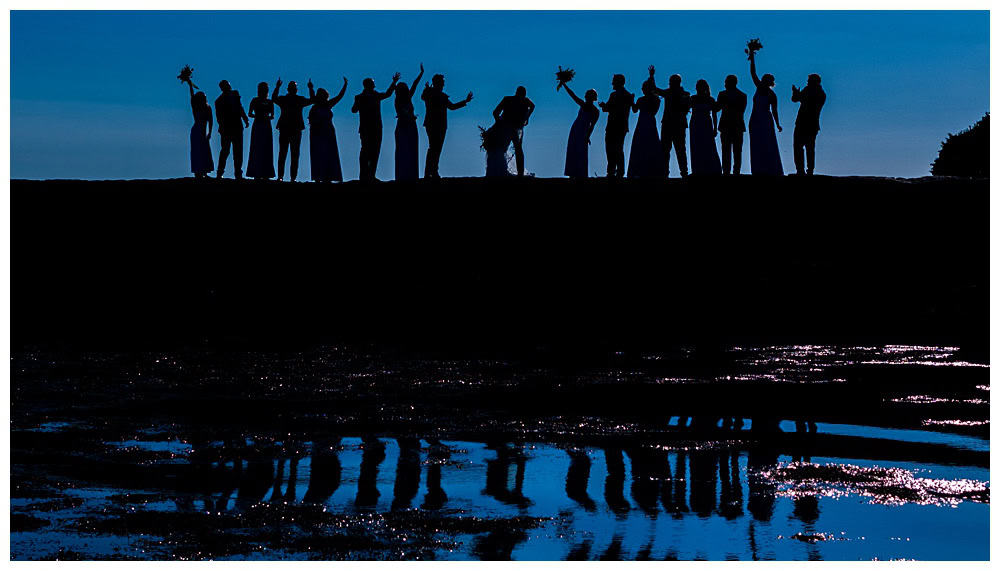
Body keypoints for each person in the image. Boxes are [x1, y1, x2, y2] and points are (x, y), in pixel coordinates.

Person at [420, 73, 473, 179]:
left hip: (437, 125)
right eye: (442, 82)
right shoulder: (434, 94)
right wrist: (465, 101)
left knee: (435, 149)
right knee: (435, 148)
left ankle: (431, 172)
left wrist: (465, 101)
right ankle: (431, 172)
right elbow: (452, 107)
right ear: (438, 83)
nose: (443, 85)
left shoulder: (434, 94)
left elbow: (452, 107)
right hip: (435, 124)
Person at [352, 72, 401, 182]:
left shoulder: (375, 95)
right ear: (367, 85)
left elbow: (388, 94)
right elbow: (353, 110)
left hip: (377, 128)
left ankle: (371, 175)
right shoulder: (360, 97)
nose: (374, 86)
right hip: (366, 128)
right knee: (365, 151)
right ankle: (364, 175)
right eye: (372, 84)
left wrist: (394, 82)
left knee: (375, 151)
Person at [648, 67, 691, 178]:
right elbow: (655, 90)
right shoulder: (685, 94)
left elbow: (654, 89)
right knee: (677, 149)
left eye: (671, 82)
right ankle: (681, 173)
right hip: (676, 124)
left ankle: (669, 173)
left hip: (670, 124)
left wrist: (652, 76)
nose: (669, 83)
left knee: (671, 149)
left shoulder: (672, 93)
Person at [272, 78, 316, 182]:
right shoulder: (298, 100)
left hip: (288, 128)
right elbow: (312, 100)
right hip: (293, 128)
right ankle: (290, 177)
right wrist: (310, 88)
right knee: (293, 154)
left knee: (285, 153)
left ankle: (283, 177)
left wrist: (277, 87)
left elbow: (274, 98)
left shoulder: (285, 99)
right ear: (295, 90)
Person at [747, 50, 784, 175]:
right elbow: (753, 72)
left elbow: (774, 111)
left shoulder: (772, 95)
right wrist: (752, 58)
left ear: (769, 82)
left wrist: (778, 124)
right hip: (755, 118)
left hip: (765, 119)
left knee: (767, 143)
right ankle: (759, 168)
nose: (762, 80)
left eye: (765, 79)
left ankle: (769, 168)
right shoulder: (759, 87)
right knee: (757, 143)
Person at [308, 78, 348, 183]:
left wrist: (345, 85)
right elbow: (312, 97)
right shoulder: (316, 107)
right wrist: (311, 88)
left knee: (328, 154)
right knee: (318, 154)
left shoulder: (327, 104)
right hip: (317, 133)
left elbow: (339, 96)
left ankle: (328, 176)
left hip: (328, 132)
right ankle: (319, 176)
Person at [558, 82, 599, 179]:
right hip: (578, 130)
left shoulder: (590, 108)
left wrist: (588, 136)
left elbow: (573, 95)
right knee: (575, 150)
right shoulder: (594, 110)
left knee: (579, 152)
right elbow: (592, 126)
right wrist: (588, 135)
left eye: (587, 94)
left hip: (580, 130)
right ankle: (575, 172)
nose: (585, 96)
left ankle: (578, 173)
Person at [627, 78, 666, 179]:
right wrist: (632, 101)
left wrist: (632, 101)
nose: (642, 89)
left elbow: (635, 110)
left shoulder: (649, 99)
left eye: (644, 88)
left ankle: (644, 170)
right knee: (646, 145)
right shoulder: (654, 100)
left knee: (644, 145)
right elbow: (635, 110)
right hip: (646, 122)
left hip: (645, 122)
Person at [493, 86, 536, 177]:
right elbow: (495, 112)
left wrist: (527, 117)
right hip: (507, 128)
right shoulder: (509, 100)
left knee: (516, 149)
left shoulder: (524, 101)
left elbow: (532, 106)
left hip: (515, 129)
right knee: (508, 149)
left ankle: (519, 173)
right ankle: (502, 170)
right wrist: (499, 123)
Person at [598, 74, 634, 179]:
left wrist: (603, 106)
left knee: (611, 149)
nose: (612, 83)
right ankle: (619, 172)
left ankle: (612, 172)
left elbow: (608, 108)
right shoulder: (628, 95)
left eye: (614, 81)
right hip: (621, 126)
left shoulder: (614, 95)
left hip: (613, 125)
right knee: (618, 149)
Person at [393, 63, 425, 181]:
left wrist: (421, 74)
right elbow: (402, 114)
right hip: (404, 126)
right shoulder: (398, 101)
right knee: (404, 150)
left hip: (410, 126)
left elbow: (415, 85)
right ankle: (405, 174)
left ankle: (409, 174)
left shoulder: (406, 98)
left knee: (410, 150)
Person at [791, 74, 826, 175]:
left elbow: (795, 99)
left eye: (809, 80)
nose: (807, 82)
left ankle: (800, 170)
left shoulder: (809, 91)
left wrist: (795, 92)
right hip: (813, 124)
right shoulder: (821, 94)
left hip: (803, 123)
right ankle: (809, 170)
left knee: (798, 147)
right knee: (810, 148)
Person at [214, 80, 249, 179]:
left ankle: (237, 173)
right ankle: (221, 172)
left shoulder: (234, 94)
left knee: (236, 151)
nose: (229, 87)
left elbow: (240, 107)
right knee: (226, 151)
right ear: (222, 88)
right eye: (227, 86)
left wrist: (245, 118)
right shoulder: (219, 101)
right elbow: (219, 117)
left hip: (236, 126)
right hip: (228, 128)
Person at [688, 79, 722, 175]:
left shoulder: (710, 99)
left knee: (708, 146)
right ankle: (698, 169)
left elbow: (715, 114)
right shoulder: (692, 98)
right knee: (696, 146)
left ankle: (710, 168)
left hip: (706, 124)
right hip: (695, 123)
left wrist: (715, 128)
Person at [716, 74, 747, 175]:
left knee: (727, 150)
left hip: (728, 125)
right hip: (736, 125)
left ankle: (727, 172)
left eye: (726, 82)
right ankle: (734, 171)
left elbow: (717, 108)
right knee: (735, 151)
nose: (725, 84)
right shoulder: (742, 95)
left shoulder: (723, 95)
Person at [246, 82, 275, 180]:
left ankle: (265, 172)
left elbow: (273, 115)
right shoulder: (255, 100)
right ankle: (257, 172)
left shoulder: (270, 102)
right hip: (259, 125)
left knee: (266, 148)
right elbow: (249, 113)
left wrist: (265, 117)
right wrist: (259, 116)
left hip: (265, 125)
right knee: (256, 148)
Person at [186, 82, 214, 178]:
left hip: (203, 132)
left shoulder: (208, 107)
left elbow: (211, 121)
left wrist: (210, 132)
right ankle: (197, 171)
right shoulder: (196, 107)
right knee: (197, 151)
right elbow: (192, 96)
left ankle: (205, 171)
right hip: (196, 131)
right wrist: (190, 85)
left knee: (205, 151)